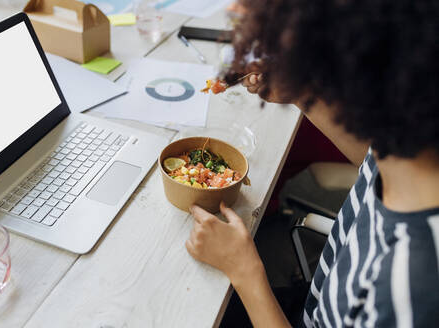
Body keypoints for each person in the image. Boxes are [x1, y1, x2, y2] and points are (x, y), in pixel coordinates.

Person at [185, 0, 439, 327]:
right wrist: (300, 93)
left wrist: (244, 270)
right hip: (320, 301)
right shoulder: (409, 144)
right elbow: (372, 159)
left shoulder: (411, 287)